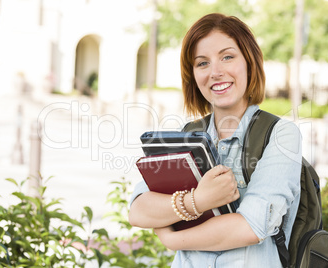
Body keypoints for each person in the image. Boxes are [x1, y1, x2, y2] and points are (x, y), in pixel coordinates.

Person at [129, 13, 302, 267]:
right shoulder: (186, 135)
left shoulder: (281, 134)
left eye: (227, 57)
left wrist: (172, 239)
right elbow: (139, 210)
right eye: (202, 63)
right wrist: (199, 200)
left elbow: (250, 227)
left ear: (249, 62)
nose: (216, 72)